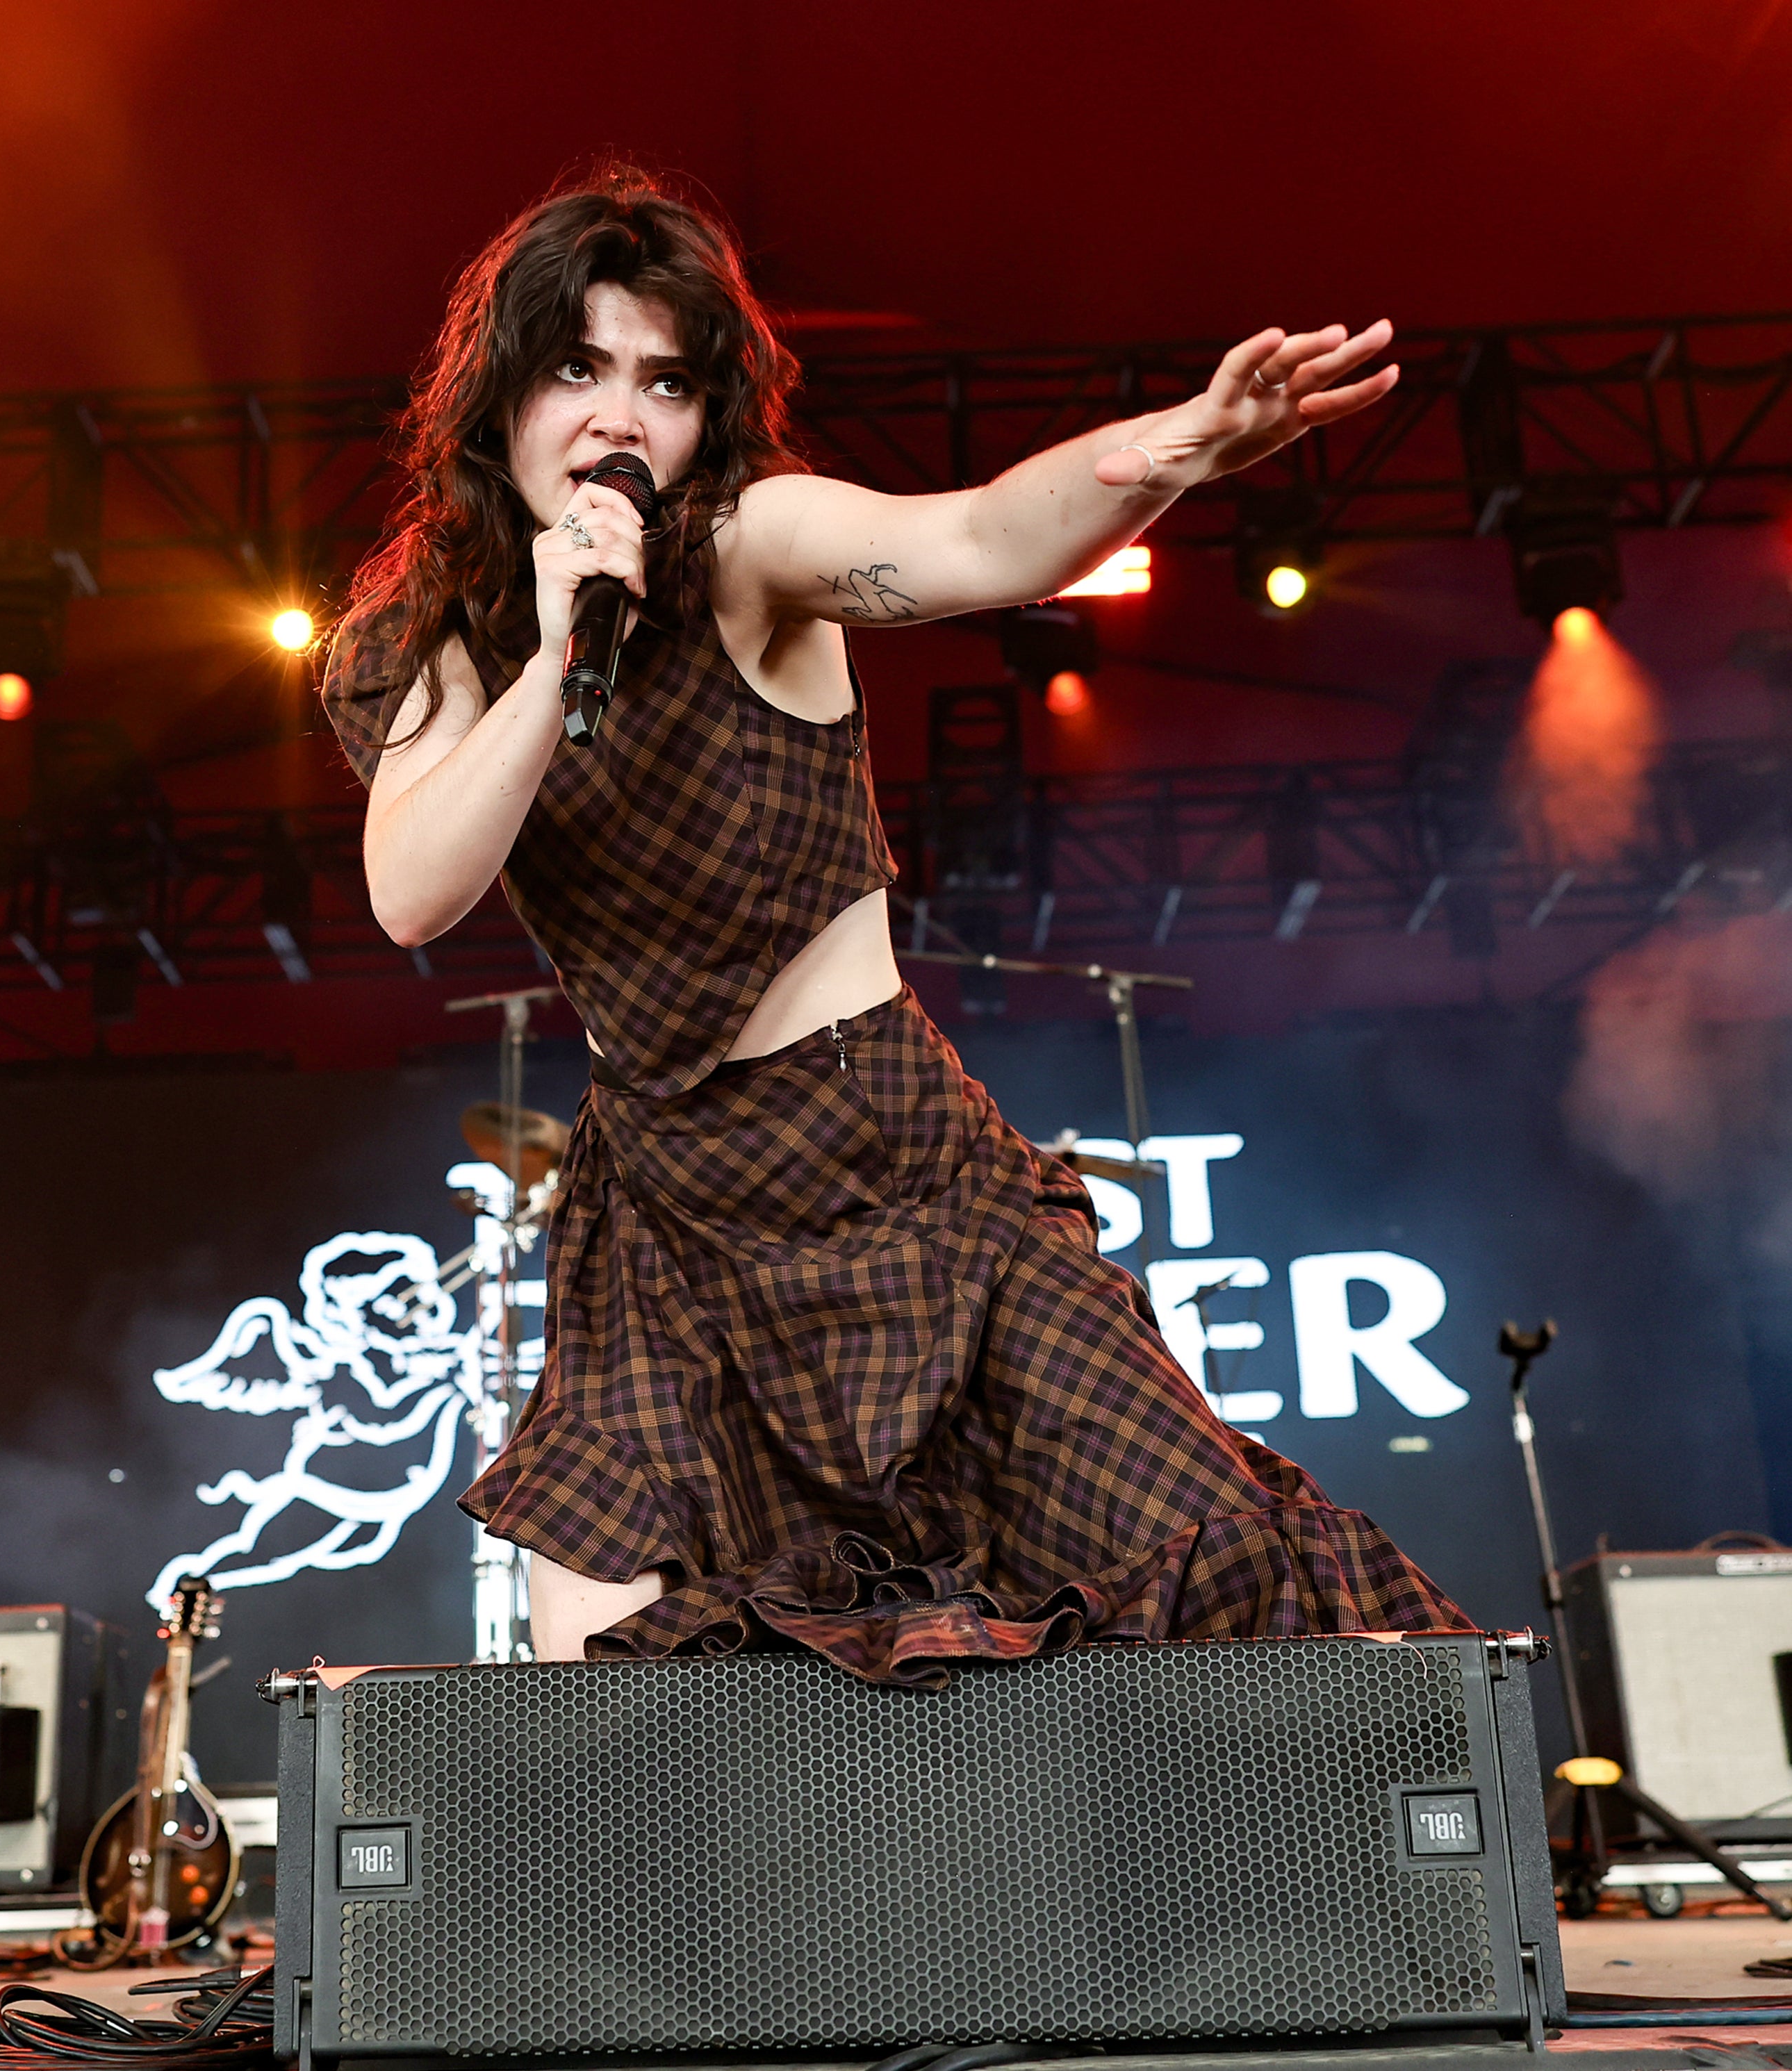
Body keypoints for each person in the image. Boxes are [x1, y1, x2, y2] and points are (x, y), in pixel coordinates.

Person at [318, 169, 1465, 1682]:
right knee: (605, 1663)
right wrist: (554, 649)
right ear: (500, 394)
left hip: (890, 1158)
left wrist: (1181, 441)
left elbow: (983, 544)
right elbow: (412, 892)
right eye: (574, 368)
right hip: (666, 1203)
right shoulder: (428, 634)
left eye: (663, 382)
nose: (615, 420)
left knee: (1199, 1557)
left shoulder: (750, 545)